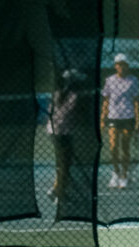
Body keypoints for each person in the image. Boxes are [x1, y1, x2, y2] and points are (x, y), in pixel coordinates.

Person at [99, 53, 139, 189]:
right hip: (113, 117)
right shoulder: (109, 80)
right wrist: (102, 119)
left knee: (125, 147)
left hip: (128, 117)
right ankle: (115, 172)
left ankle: (124, 175)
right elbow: (106, 100)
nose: (121, 67)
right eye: (119, 64)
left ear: (127, 66)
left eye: (124, 64)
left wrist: (138, 120)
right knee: (113, 147)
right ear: (115, 66)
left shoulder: (133, 80)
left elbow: (136, 102)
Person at [46, 68, 84, 204]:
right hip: (63, 132)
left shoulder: (56, 93)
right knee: (65, 165)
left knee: (62, 163)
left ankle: (56, 189)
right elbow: (74, 114)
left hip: (53, 130)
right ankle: (59, 194)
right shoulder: (74, 96)